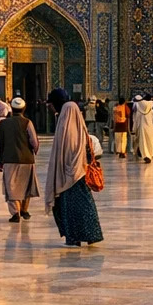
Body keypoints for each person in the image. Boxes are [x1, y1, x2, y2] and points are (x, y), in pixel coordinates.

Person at [44, 89, 103, 247]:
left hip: (70, 176)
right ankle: (91, 234)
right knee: (84, 204)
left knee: (71, 207)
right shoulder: (80, 128)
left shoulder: (66, 124)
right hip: (80, 173)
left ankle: (75, 237)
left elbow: (64, 152)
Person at [0, 97, 40, 221]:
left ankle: (15, 213)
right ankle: (24, 210)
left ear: (11, 108)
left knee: (11, 187)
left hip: (9, 159)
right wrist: (34, 151)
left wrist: (0, 160)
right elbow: (34, 141)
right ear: (24, 109)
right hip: (27, 159)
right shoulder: (27, 122)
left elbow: (1, 143)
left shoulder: (3, 124)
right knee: (26, 185)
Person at [132, 96, 153, 162]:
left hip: (142, 129)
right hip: (150, 128)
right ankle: (149, 155)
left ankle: (145, 155)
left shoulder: (139, 111)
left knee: (143, 142)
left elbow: (136, 121)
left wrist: (134, 129)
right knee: (150, 142)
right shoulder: (151, 111)